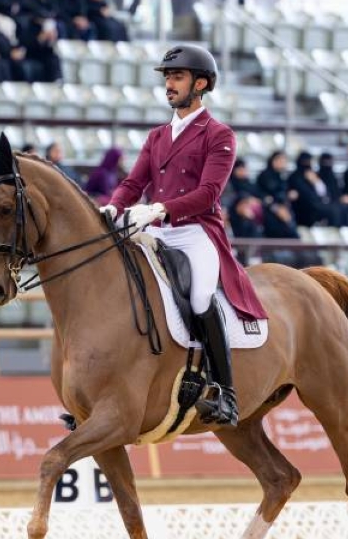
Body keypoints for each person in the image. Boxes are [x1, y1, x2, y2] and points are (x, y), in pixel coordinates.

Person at [100, 45, 268, 427]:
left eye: (177, 77)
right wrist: (114, 205)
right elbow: (134, 181)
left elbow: (209, 192)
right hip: (155, 231)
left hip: (195, 233)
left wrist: (160, 209)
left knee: (199, 296)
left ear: (201, 83)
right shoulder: (158, 136)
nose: (169, 85)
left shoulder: (219, 134)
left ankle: (226, 394)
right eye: (167, 78)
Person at [287, 151, 342, 227]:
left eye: (309, 162)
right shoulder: (295, 177)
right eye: (305, 162)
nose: (307, 164)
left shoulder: (314, 176)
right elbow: (306, 195)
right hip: (305, 208)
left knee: (339, 209)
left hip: (318, 204)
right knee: (332, 211)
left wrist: (316, 181)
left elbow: (323, 193)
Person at [319, 152, 348, 227]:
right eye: (325, 162)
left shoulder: (333, 177)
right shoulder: (318, 177)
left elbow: (337, 191)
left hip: (338, 201)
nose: (328, 165)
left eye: (330, 162)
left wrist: (343, 198)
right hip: (327, 203)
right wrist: (337, 199)